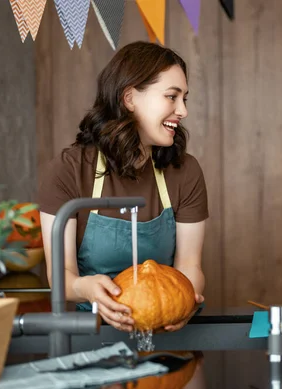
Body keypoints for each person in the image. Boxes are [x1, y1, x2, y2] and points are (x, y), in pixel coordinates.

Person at [36, 41, 209, 332]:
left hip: (164, 334)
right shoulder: (68, 171)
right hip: (90, 333)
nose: (183, 111)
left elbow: (190, 265)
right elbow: (61, 277)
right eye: (171, 97)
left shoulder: (185, 171)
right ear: (130, 98)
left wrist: (184, 300)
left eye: (185, 99)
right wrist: (85, 288)